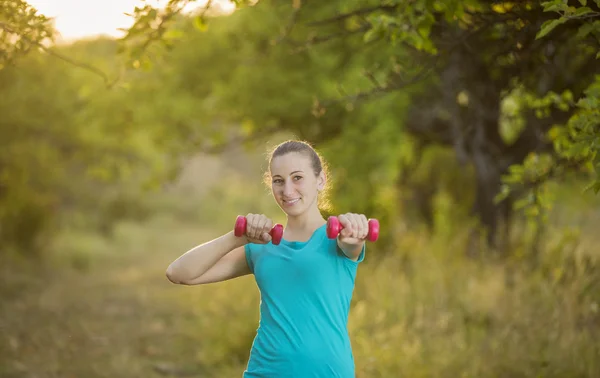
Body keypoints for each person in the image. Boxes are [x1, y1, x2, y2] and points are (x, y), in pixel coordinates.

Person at [166, 140, 370, 377]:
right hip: (265, 371)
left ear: (320, 180)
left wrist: (356, 228)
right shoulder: (262, 247)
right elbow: (178, 273)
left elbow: (353, 243)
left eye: (297, 178)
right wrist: (237, 237)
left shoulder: (339, 240)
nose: (287, 190)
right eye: (278, 181)